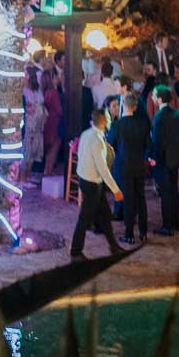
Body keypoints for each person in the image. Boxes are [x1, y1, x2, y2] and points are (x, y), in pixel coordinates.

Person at [70, 107, 123, 259]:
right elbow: (103, 169)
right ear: (104, 121)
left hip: (85, 179)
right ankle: (75, 252)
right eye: (108, 117)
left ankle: (113, 246)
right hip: (93, 184)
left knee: (105, 216)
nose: (110, 119)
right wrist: (116, 190)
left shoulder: (86, 133)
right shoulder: (98, 140)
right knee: (84, 219)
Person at [108, 91, 150, 245]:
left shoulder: (118, 125)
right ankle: (144, 232)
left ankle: (129, 233)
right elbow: (148, 145)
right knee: (141, 199)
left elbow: (110, 144)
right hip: (139, 165)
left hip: (123, 166)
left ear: (124, 106)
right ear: (136, 106)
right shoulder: (143, 124)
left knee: (128, 200)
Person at [148, 85, 179, 235]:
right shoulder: (177, 114)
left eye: (154, 96)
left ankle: (167, 225)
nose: (152, 98)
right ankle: (175, 222)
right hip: (175, 156)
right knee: (174, 191)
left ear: (160, 99)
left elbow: (157, 141)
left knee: (165, 192)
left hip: (163, 159)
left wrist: (154, 158)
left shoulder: (159, 117)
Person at [23, 66, 46, 179]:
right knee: (27, 148)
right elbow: (25, 106)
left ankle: (27, 176)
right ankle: (23, 177)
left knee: (34, 149)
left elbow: (40, 103)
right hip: (28, 122)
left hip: (38, 122)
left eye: (25, 74)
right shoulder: (23, 90)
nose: (24, 76)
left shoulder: (37, 89)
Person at [42, 69, 64, 175]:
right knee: (53, 149)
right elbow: (59, 110)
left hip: (47, 122)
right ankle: (49, 172)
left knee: (48, 150)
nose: (58, 78)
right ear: (52, 79)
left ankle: (47, 171)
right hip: (55, 123)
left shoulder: (45, 92)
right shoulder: (54, 93)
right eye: (56, 77)